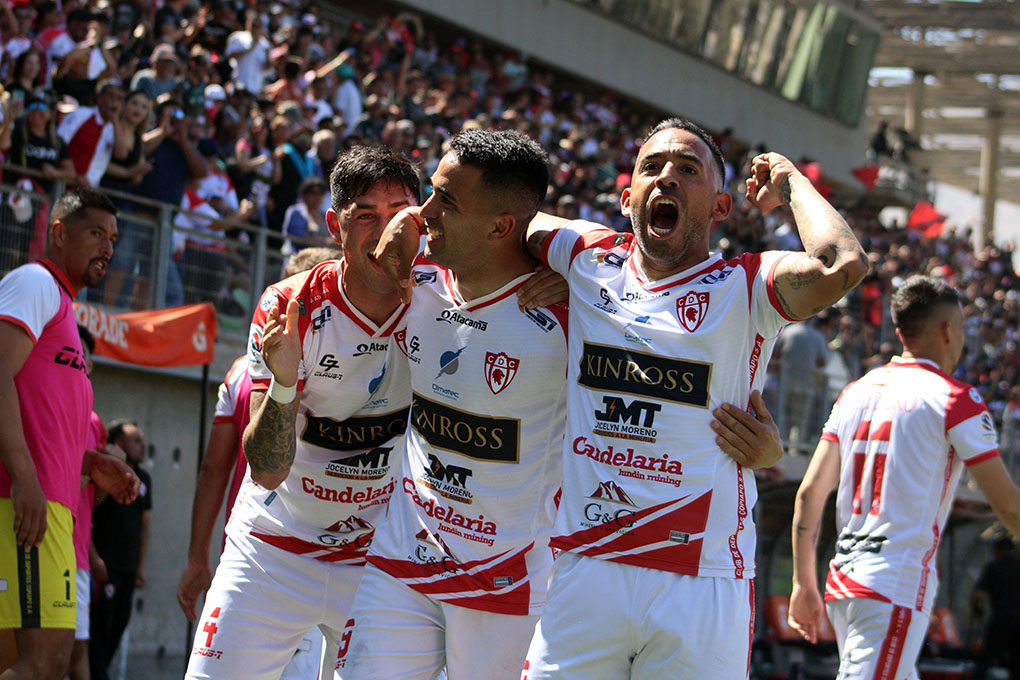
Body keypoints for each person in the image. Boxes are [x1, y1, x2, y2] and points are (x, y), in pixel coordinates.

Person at [511, 117, 868, 679]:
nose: (667, 178)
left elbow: (838, 264)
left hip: (700, 581)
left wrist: (792, 181)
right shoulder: (585, 257)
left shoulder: (747, 285)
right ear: (626, 197)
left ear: (721, 207)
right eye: (652, 167)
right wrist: (530, 265)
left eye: (687, 169)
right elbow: (496, 219)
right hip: (586, 568)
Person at [335, 128, 573, 680]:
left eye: (446, 200)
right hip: (403, 555)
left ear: (500, 226)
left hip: (505, 579)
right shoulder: (414, 280)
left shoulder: (570, 312)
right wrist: (395, 229)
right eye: (433, 193)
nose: (425, 210)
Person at [183, 145, 422, 680]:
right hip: (275, 547)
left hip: (378, 560)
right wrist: (286, 383)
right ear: (336, 227)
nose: (386, 234)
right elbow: (266, 470)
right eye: (366, 216)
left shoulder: (448, 297)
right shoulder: (291, 305)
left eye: (399, 214)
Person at [789, 275, 1020, 680]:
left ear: (899, 332)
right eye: (962, 329)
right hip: (893, 583)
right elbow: (1009, 507)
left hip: (844, 581)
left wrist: (801, 582)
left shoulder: (854, 392)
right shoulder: (955, 399)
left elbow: (810, 493)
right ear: (949, 331)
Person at [177, 247, 340, 680]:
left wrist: (197, 555)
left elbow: (213, 469)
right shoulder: (249, 370)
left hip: (278, 558)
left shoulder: (236, 371)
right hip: (275, 551)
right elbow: (215, 469)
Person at [0, 187, 139, 680]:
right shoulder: (34, 283)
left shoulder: (61, 304)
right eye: (96, 233)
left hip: (51, 509)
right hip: (22, 507)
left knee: (43, 663)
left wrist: (91, 465)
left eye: (114, 238)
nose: (107, 247)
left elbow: (44, 424)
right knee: (41, 665)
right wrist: (24, 479)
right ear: (58, 233)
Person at [89, 420, 151, 680]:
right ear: (118, 444)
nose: (142, 445)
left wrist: (140, 566)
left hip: (128, 567)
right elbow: (87, 512)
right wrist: (94, 558)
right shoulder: (105, 471)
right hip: (106, 566)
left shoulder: (144, 479)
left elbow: (145, 525)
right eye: (135, 439)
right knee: (99, 630)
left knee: (118, 625)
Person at [56, 78, 124, 187]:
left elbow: (121, 155)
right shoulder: (82, 114)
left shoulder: (116, 129)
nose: (114, 102)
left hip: (87, 192)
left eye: (119, 99)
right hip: (64, 184)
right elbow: (59, 141)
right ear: (99, 98)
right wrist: (74, 173)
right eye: (111, 96)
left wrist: (115, 120)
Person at [972, 536, 1020, 680]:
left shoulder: (993, 567)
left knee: (987, 658)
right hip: (1019, 621)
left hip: (1001, 619)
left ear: (997, 551)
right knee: (1017, 662)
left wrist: (977, 610)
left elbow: (977, 595)